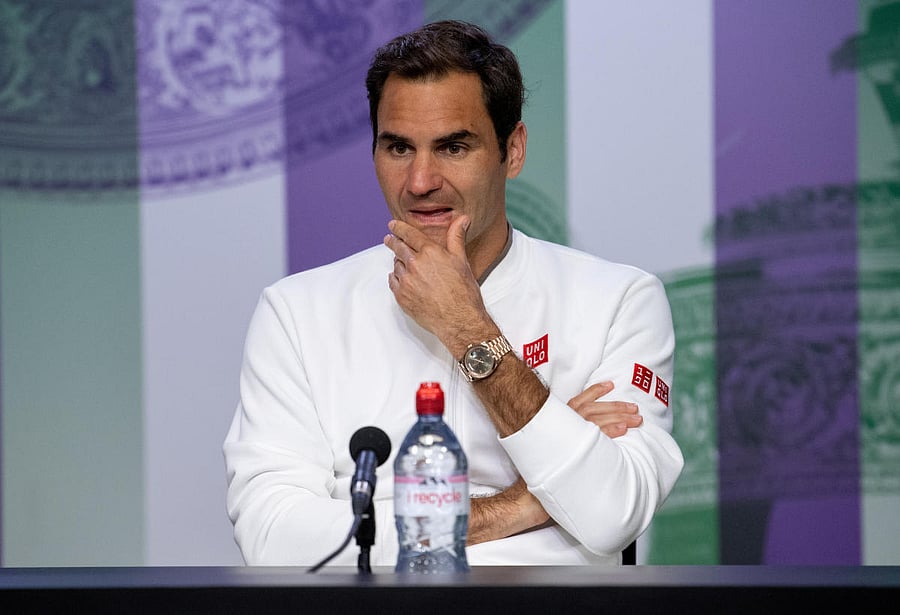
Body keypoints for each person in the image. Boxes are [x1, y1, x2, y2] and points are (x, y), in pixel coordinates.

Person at [223, 20, 683, 567]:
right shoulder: (297, 313)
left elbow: (611, 513)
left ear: (512, 151)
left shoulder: (618, 301)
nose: (420, 181)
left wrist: (468, 328)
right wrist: (519, 506)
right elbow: (272, 538)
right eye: (398, 147)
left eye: (453, 147)